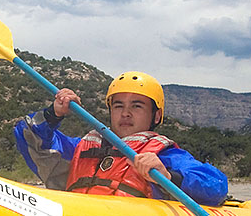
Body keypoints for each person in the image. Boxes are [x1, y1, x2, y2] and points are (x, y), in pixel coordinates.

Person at [14, 71, 228, 206]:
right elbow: (31, 138)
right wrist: (54, 113)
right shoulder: (81, 147)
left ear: (155, 116)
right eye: (118, 106)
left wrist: (168, 176)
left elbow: (216, 185)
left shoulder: (163, 154)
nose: (125, 113)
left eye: (137, 106)